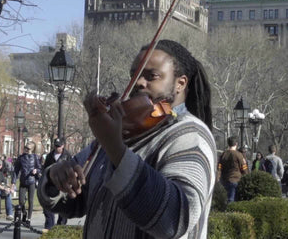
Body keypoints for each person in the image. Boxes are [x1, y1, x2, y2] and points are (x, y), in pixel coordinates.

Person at [38, 39, 217, 238]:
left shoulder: (191, 135)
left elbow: (174, 220)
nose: (139, 82)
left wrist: (116, 149)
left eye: (152, 76)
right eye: (135, 75)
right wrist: (56, 178)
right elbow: (74, 201)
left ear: (180, 83)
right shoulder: (121, 133)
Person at [42, 138, 71, 231]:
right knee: (48, 205)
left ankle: (61, 226)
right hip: (51, 184)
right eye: (55, 146)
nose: (57, 147)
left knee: (63, 205)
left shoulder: (67, 155)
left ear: (63, 146)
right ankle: (49, 226)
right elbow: (45, 169)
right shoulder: (50, 156)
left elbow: (71, 168)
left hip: (63, 184)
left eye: (59, 146)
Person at [14, 142, 42, 224]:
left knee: (30, 200)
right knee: (21, 201)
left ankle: (28, 219)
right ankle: (24, 213)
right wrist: (13, 182)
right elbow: (16, 170)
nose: (26, 149)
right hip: (23, 181)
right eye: (25, 147)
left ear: (32, 149)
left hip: (31, 181)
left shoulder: (35, 157)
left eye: (28, 148)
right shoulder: (21, 158)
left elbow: (40, 168)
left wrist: (36, 171)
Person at [217, 136, 248, 203]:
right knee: (232, 200)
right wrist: (247, 177)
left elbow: (219, 168)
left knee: (226, 199)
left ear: (228, 144)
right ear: (236, 144)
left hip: (224, 180)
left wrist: (218, 178)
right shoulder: (239, 155)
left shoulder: (223, 154)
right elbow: (244, 168)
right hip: (236, 179)